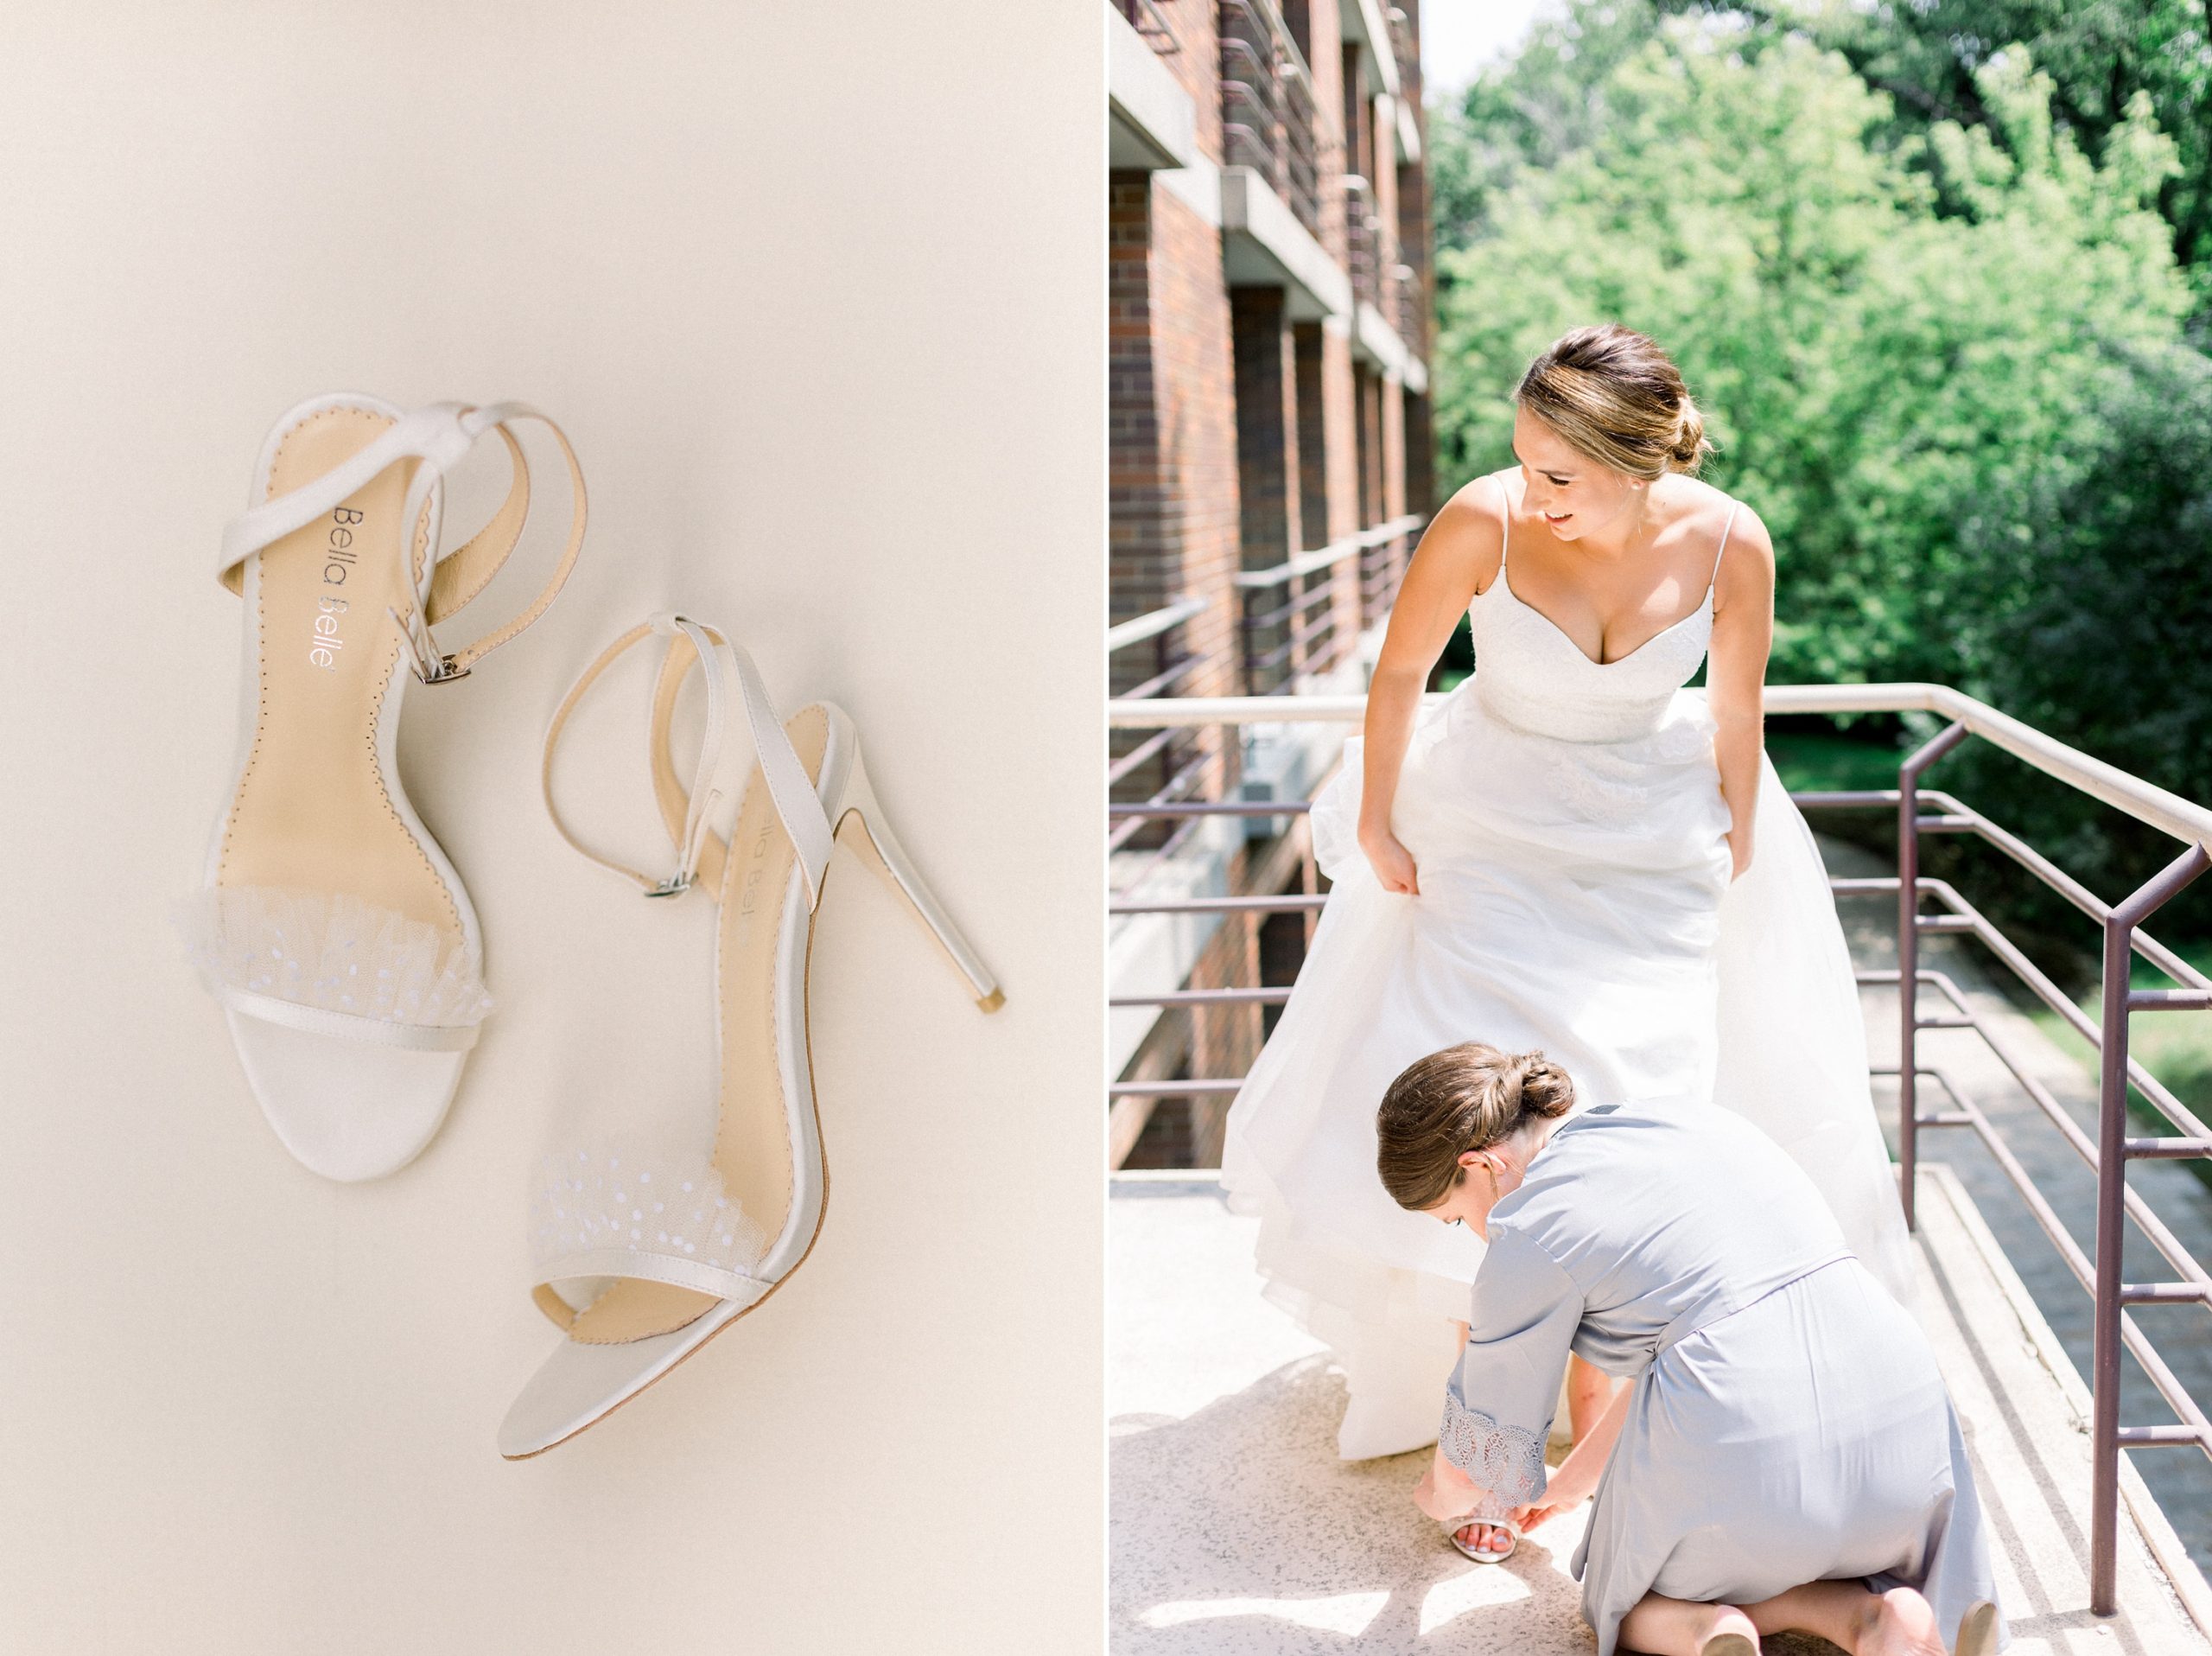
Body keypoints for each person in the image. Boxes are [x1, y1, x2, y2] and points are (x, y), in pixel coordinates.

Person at [1220, 322, 1914, 1462]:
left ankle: (1602, 1402)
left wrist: (1739, 830)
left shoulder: (1734, 544)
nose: (1533, 495)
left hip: (1652, 846)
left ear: (1641, 465)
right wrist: (1375, 819)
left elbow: (1736, 712)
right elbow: (1400, 675)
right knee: (1471, 1092)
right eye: (1525, 462)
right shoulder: (1481, 519)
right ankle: (1473, 1413)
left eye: (1561, 477)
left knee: (1645, 1092)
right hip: (1489, 830)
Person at [1382, 1042, 2002, 1656]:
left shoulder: (1526, 1229)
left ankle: (1718, 1628)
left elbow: (1475, 1468)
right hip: (1906, 1414)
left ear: (1480, 1164)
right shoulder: (1687, 1119)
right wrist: (1572, 1485)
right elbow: (1699, 1344)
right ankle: (1883, 1616)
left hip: (1752, 1439)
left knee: (1621, 1603)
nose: (1471, 1234)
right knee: (1816, 1533)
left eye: (1455, 1218)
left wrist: (1434, 1497)